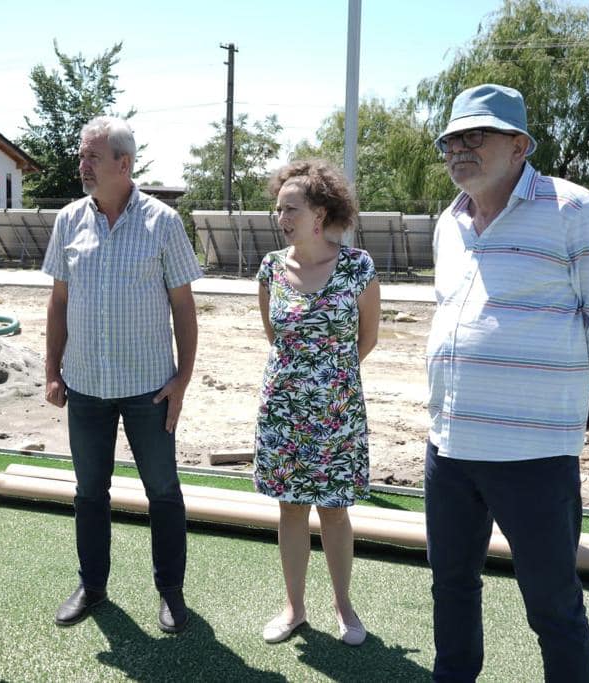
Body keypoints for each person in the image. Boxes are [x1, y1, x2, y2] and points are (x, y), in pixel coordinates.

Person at [425, 84, 589, 682]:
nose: (459, 149)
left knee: (552, 603)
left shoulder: (573, 210)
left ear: (519, 146)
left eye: (475, 136)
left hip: (534, 451)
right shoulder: (449, 221)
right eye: (451, 140)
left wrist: (577, 395)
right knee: (451, 585)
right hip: (449, 445)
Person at [42, 116, 201, 633]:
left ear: (123, 163)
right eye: (82, 156)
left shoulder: (163, 223)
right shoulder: (69, 220)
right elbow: (58, 301)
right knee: (89, 492)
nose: (82, 165)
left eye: (92, 156)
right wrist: (52, 370)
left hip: (149, 390)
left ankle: (171, 592)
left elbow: (184, 307)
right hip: (86, 386)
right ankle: (92, 585)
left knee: (163, 491)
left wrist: (181, 380)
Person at [254, 160, 380, 646]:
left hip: (337, 414)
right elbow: (275, 337)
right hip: (283, 412)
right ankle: (294, 608)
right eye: (279, 208)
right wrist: (303, 379)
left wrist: (328, 380)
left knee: (334, 510)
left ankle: (344, 606)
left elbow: (367, 339)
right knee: (290, 508)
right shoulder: (270, 268)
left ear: (320, 214)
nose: (281, 217)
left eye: (291, 208)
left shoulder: (358, 267)